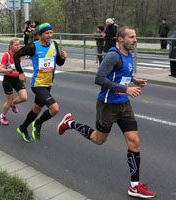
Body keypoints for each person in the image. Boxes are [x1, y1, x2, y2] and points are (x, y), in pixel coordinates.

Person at [57, 27, 156, 199]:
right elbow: (99, 78)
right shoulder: (112, 55)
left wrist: (134, 79)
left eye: (136, 37)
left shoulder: (128, 54)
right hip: (107, 105)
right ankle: (70, 123)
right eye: (131, 37)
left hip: (124, 105)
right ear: (120, 39)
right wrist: (125, 88)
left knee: (134, 142)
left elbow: (122, 71)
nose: (135, 40)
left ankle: (134, 185)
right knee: (98, 139)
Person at [13, 23, 67, 142]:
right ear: (41, 34)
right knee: (55, 109)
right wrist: (20, 72)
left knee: (36, 109)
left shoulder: (54, 44)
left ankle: (22, 128)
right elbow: (16, 55)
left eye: (51, 32)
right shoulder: (33, 46)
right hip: (37, 84)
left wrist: (63, 57)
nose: (49, 35)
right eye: (47, 33)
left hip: (48, 84)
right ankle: (38, 123)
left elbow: (59, 63)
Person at [0, 38, 28, 125]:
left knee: (24, 97)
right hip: (8, 80)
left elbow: (19, 68)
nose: (18, 47)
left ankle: (12, 104)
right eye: (16, 45)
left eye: (19, 45)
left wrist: (22, 75)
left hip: (17, 79)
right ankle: (1, 116)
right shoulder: (6, 55)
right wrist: (10, 69)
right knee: (8, 101)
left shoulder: (19, 55)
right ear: (11, 46)